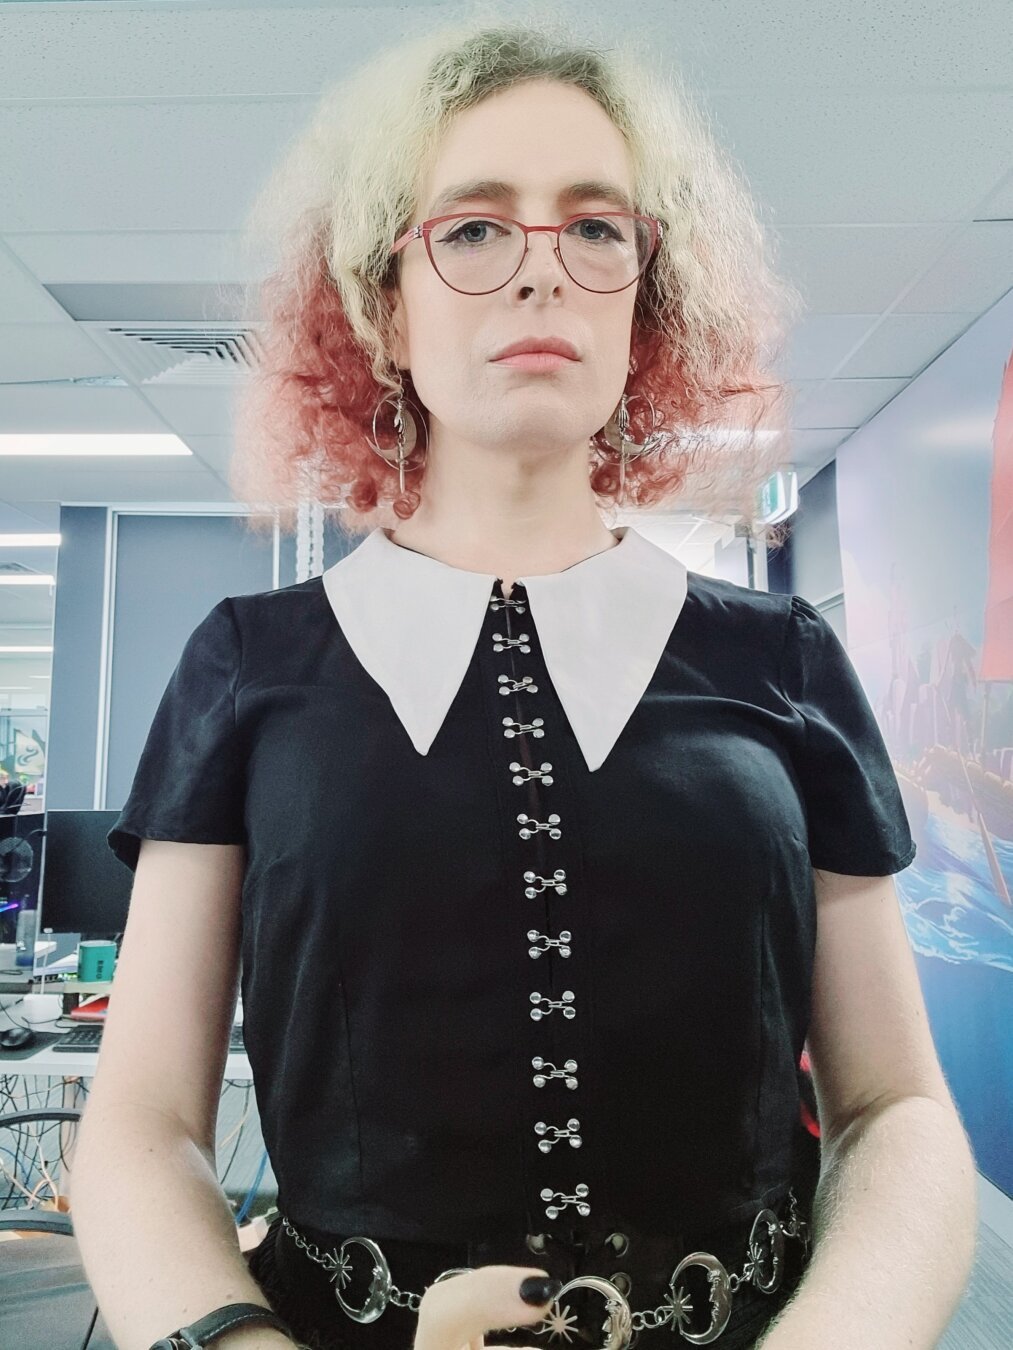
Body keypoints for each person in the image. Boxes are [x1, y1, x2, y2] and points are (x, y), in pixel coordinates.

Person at [67, 14, 927, 1350]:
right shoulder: (247, 663)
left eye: (594, 229)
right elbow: (142, 1123)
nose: (542, 274)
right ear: (379, 306)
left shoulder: (785, 661)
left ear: (647, 297)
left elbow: (896, 1108)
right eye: (471, 229)